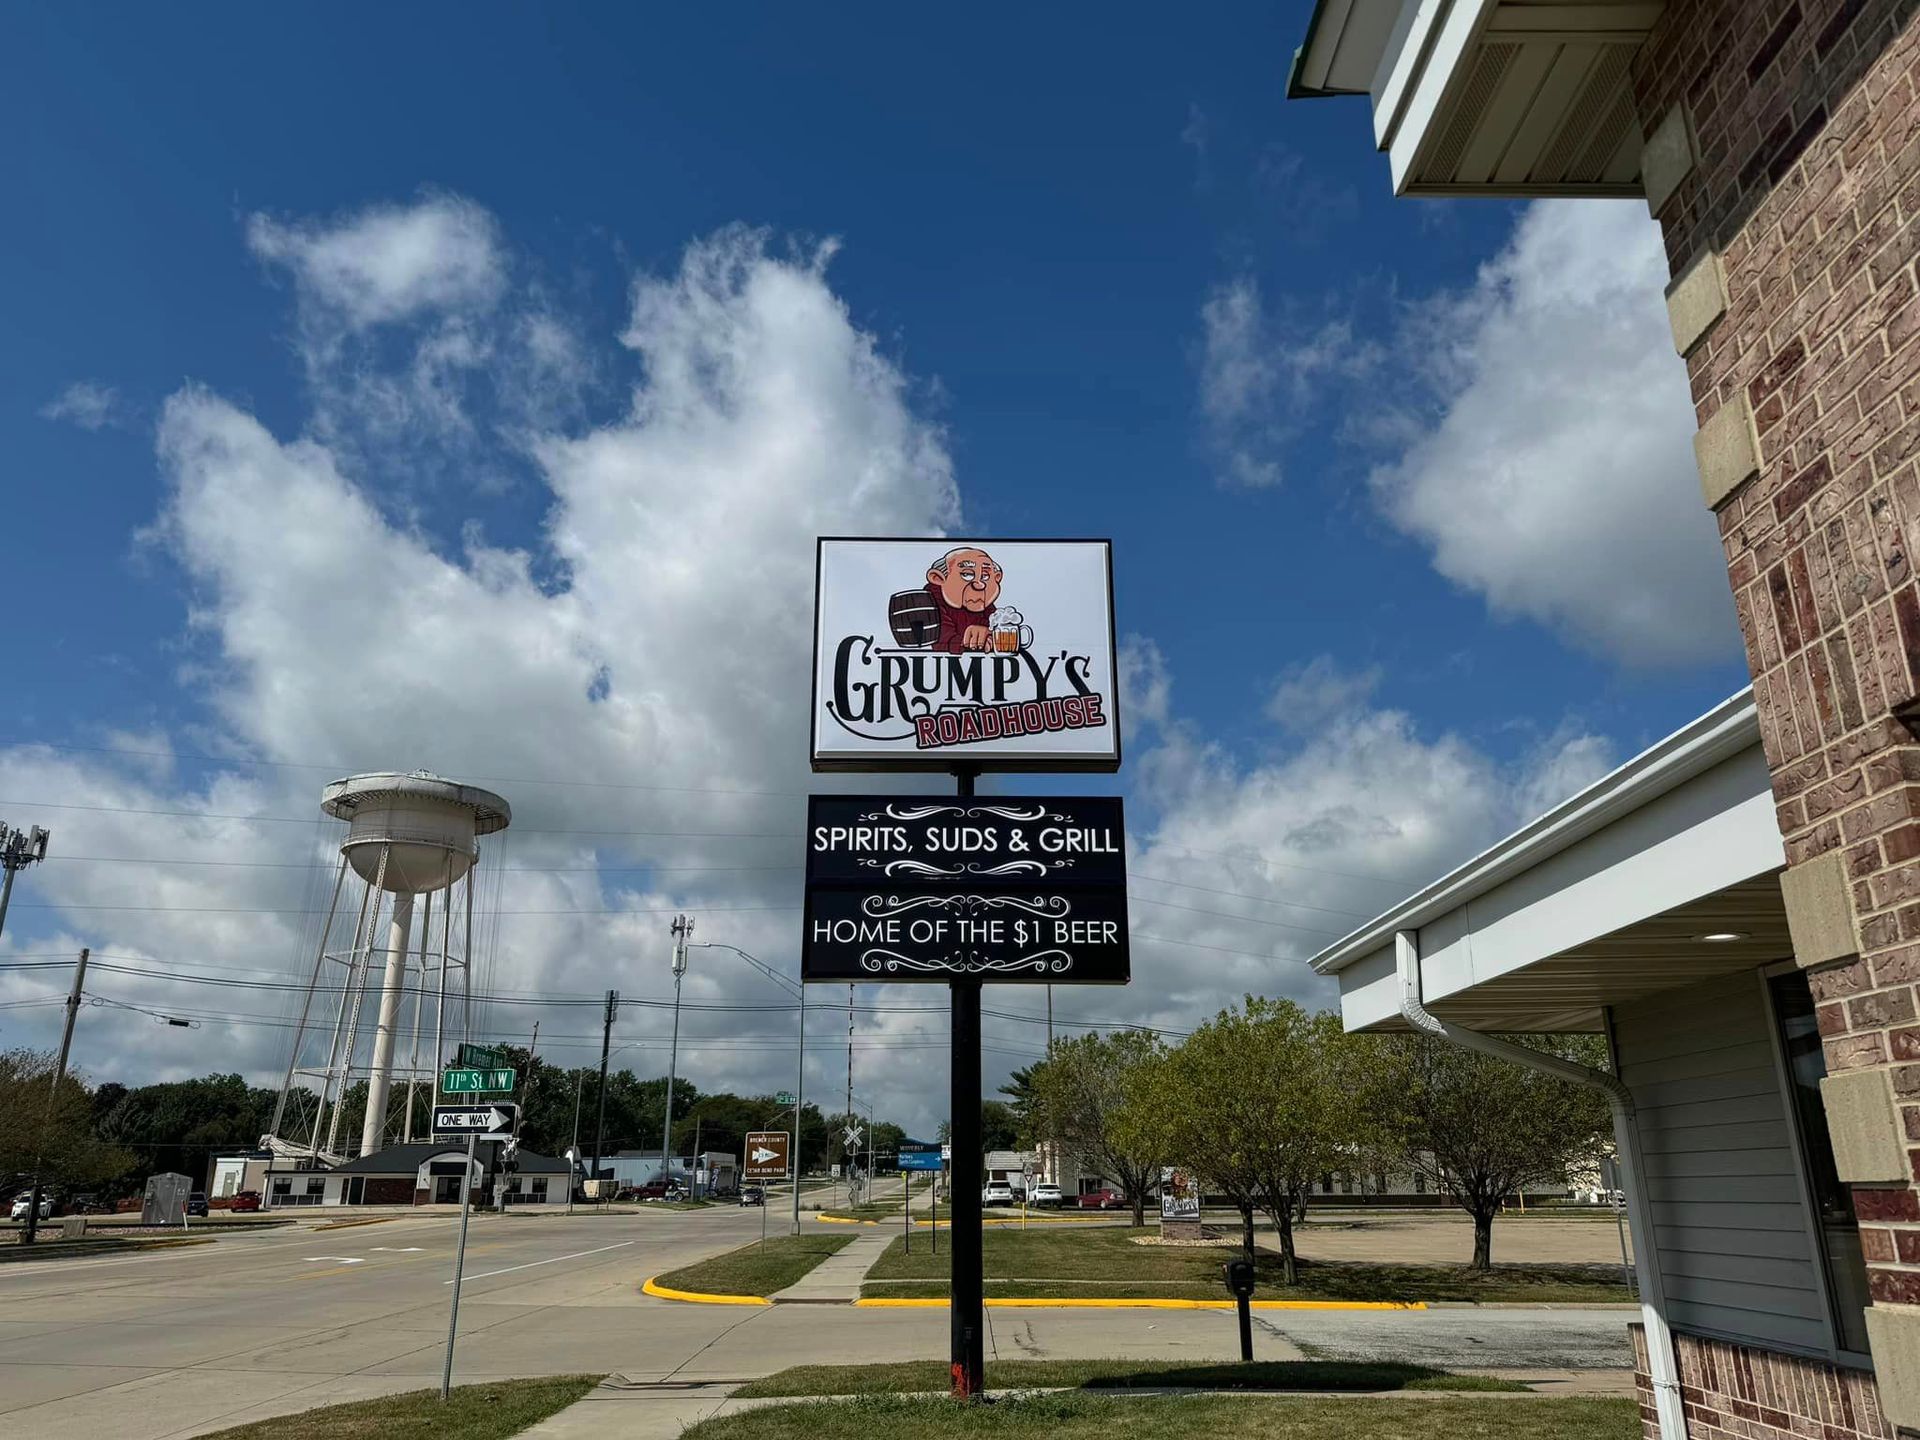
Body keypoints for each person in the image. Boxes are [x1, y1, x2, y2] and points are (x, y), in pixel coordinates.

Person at [923, 546, 1003, 653]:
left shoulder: (984, 602)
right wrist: (969, 641)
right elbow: (943, 641)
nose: (979, 585)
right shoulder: (930, 599)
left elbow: (999, 627)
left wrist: (989, 634)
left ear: (996, 578)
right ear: (938, 578)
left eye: (985, 576)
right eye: (967, 574)